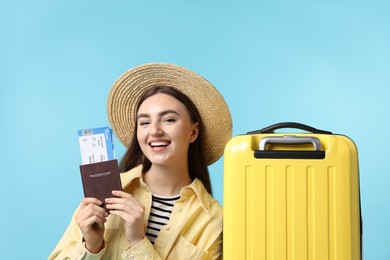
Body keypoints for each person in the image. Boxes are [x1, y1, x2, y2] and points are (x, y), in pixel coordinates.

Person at [49, 63, 232, 259]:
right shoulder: (106, 191)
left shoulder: (214, 221)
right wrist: (91, 247)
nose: (154, 131)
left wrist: (138, 241)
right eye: (144, 122)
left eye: (169, 119)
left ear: (193, 132)